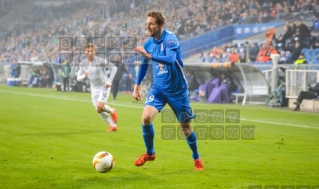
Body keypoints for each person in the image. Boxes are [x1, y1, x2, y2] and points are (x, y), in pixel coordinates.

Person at [133, 10, 204, 171]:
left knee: (186, 129)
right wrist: (137, 85)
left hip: (178, 91)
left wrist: (150, 56)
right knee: (145, 118)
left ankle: (196, 157)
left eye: (151, 23)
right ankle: (150, 153)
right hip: (158, 89)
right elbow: (144, 64)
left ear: (161, 25)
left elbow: (171, 60)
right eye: (147, 24)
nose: (148, 27)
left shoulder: (171, 39)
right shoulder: (148, 43)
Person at [77, 43, 118, 132]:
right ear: (85, 52)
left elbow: (114, 68)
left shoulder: (100, 61)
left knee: (100, 106)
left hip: (104, 87)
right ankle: (112, 122)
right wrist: (84, 75)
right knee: (98, 110)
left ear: (94, 52)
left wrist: (109, 81)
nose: (90, 53)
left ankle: (112, 115)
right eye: (88, 51)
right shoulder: (83, 63)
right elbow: (78, 78)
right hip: (94, 89)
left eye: (92, 51)